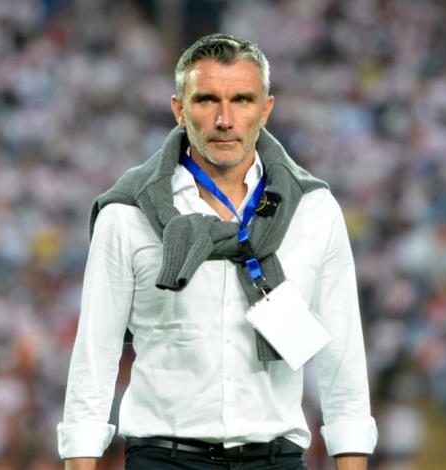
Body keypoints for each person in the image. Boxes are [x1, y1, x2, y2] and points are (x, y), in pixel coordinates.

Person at [57, 33, 378, 470]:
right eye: (207, 100)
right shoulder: (127, 214)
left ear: (265, 109)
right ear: (179, 109)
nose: (225, 119)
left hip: (276, 459)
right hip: (163, 460)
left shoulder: (313, 210)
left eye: (242, 100)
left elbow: (343, 358)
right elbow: (94, 355)